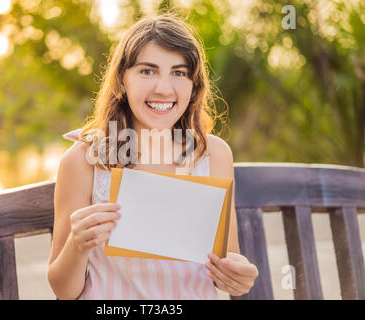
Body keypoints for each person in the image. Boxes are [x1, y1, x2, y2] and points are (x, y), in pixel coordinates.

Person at [47, 14, 259, 300]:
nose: (163, 88)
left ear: (193, 86)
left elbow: (228, 259)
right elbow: (63, 291)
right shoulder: (85, 160)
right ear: (122, 79)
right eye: (147, 71)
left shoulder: (213, 155)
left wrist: (239, 275)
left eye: (179, 72)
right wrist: (77, 244)